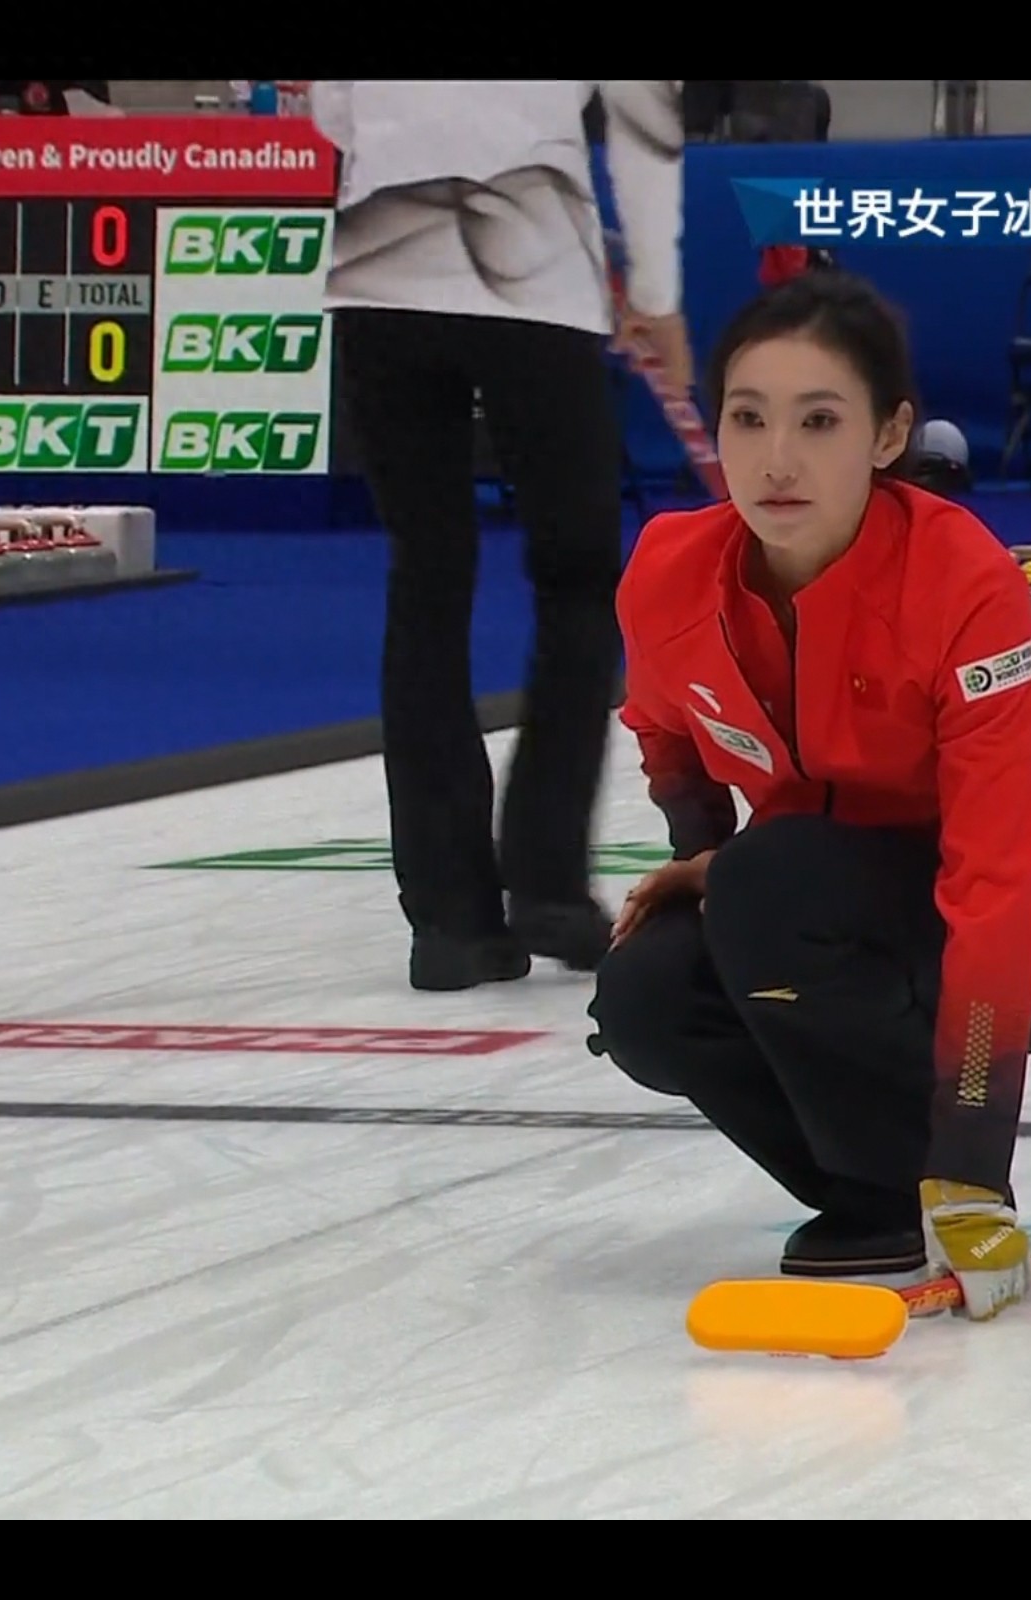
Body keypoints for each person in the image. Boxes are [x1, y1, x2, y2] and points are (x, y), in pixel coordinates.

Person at [586, 268, 1031, 1321]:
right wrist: (701, 849)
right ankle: (874, 1193)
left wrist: (974, 1141)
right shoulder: (667, 570)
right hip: (808, 890)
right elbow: (664, 729)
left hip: (1026, 904)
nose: (776, 459)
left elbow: (991, 877)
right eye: (748, 418)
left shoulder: (960, 579)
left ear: (887, 437)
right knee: (646, 995)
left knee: (769, 884)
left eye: (818, 421)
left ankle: (939, 1180)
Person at [312, 81, 693, 992]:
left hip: (382, 263)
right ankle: (548, 880)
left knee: (428, 572)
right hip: (534, 270)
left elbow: (329, 110)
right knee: (576, 570)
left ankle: (449, 920)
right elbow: (645, 127)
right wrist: (657, 296)